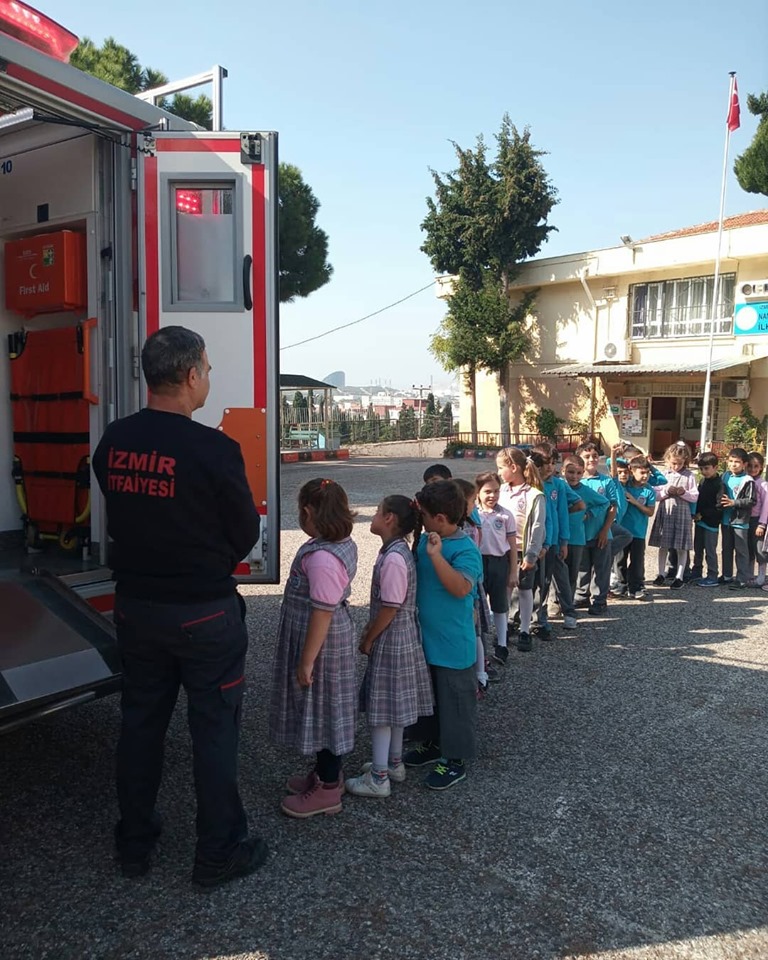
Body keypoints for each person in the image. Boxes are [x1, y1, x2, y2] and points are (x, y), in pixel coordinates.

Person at [92, 326, 265, 887]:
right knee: (213, 732)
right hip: (203, 613)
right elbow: (243, 531)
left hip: (136, 608)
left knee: (140, 725)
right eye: (208, 370)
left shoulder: (114, 441)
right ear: (191, 375)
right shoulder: (214, 448)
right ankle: (218, 852)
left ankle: (134, 843)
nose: (209, 378)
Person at [269, 478, 358, 817]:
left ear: (308, 512)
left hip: (320, 644)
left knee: (325, 711)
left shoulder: (322, 559)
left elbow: (322, 610)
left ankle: (329, 787)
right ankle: (323, 773)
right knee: (321, 707)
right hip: (322, 639)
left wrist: (306, 661)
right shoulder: (337, 543)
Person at [346, 496, 433, 799]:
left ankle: (379, 776)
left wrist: (369, 637)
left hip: (392, 639)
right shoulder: (397, 552)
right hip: (401, 638)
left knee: (383, 709)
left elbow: (391, 606)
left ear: (390, 519)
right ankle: (393, 763)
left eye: (378, 511)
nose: (373, 515)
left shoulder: (395, 557)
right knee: (395, 706)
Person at [403, 480, 482, 790]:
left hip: (453, 644)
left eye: (423, 514)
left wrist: (437, 557)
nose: (420, 519)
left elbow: (462, 587)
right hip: (426, 641)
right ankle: (432, 744)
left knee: (456, 703)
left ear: (439, 517)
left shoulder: (464, 548)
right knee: (432, 700)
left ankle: (456, 759)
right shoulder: (427, 539)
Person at [495, 447, 546, 653]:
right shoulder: (501, 492)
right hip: (502, 552)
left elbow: (537, 526)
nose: (498, 473)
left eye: (500, 468)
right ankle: (504, 627)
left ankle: (525, 630)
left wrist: (532, 554)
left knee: (525, 591)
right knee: (504, 590)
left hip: (523, 553)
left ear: (513, 467)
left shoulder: (534, 495)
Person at [531, 442, 583, 634]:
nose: (549, 467)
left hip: (553, 541)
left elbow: (567, 510)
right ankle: (537, 617)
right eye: (545, 462)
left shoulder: (558, 484)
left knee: (560, 578)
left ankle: (569, 612)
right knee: (538, 583)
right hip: (534, 542)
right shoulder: (530, 483)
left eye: (553, 462)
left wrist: (564, 541)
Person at [454, 477, 495, 695]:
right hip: (471, 586)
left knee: (475, 632)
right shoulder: (467, 527)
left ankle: (480, 674)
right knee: (473, 632)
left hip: (471, 586)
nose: (474, 506)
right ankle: (479, 673)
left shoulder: (469, 526)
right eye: (471, 502)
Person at [474, 471, 518, 662]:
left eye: (496, 491)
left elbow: (513, 546)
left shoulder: (505, 515)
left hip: (499, 563)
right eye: (487, 492)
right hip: (479, 563)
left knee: (500, 605)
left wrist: (513, 571)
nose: (492, 496)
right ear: (478, 493)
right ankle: (480, 645)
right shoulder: (473, 515)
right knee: (478, 605)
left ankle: (501, 644)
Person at [573, 441, 619, 615]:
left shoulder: (605, 482)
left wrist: (604, 530)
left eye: (594, 456)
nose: (591, 459)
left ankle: (599, 599)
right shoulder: (574, 480)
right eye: (586, 457)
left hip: (600, 532)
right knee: (582, 567)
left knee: (601, 567)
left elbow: (612, 507)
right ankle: (581, 596)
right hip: (580, 534)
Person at [649, 441, 698, 590]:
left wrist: (683, 493)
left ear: (685, 461)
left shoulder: (689, 475)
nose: (676, 466)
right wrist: (666, 492)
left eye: (679, 463)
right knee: (663, 545)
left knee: (681, 546)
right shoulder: (664, 475)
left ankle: (679, 576)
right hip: (666, 511)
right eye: (673, 463)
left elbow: (695, 496)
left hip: (682, 513)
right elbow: (655, 494)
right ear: (668, 460)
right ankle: (661, 573)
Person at [562, 454, 609, 602]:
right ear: (563, 471)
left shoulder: (586, 491)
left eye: (578, 473)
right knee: (556, 573)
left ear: (583, 473)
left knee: (573, 573)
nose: (574, 476)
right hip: (558, 536)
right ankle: (555, 602)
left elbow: (605, 503)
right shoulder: (559, 487)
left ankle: (569, 604)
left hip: (576, 537)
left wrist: (589, 514)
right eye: (570, 472)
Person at [616, 456, 656, 599]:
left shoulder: (649, 491)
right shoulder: (624, 485)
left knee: (637, 561)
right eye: (641, 472)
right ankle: (621, 585)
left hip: (639, 532)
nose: (645, 476)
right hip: (622, 531)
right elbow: (610, 463)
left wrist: (635, 502)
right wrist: (628, 458)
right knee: (620, 560)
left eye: (647, 472)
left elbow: (650, 512)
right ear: (631, 471)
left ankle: (636, 587)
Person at [719, 448, 757, 589]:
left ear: (744, 464)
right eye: (731, 461)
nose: (733, 464)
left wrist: (734, 502)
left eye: (737, 462)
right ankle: (727, 575)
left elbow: (751, 500)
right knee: (726, 549)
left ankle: (741, 579)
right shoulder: (725, 476)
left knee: (741, 551)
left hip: (740, 521)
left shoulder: (748, 480)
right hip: (726, 520)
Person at [692, 452, 724, 587]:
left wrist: (703, 514)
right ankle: (696, 573)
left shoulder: (719, 484)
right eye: (701, 469)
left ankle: (712, 575)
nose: (704, 471)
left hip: (711, 523)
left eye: (707, 468)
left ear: (715, 467)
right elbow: (698, 499)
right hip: (700, 521)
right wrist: (695, 513)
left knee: (710, 551)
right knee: (697, 549)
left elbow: (719, 506)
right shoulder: (703, 481)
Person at [746, 452, 768, 586]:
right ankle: (749, 575)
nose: (753, 469)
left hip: (757, 520)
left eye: (756, 466)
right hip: (746, 519)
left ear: (761, 467)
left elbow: (766, 506)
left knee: (759, 549)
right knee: (748, 548)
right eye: (750, 466)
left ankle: (761, 576)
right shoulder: (746, 480)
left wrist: (762, 524)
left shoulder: (763, 484)